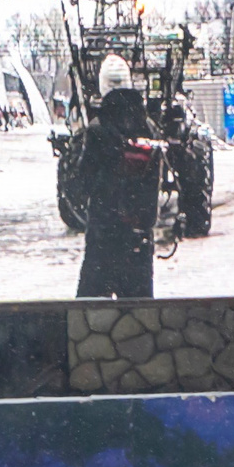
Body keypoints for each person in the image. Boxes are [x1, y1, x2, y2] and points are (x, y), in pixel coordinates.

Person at [74, 54, 165, 298]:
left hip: (103, 238)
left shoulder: (96, 130)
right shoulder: (149, 128)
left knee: (90, 316)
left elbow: (82, 184)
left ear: (102, 86)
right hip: (138, 238)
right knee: (138, 320)